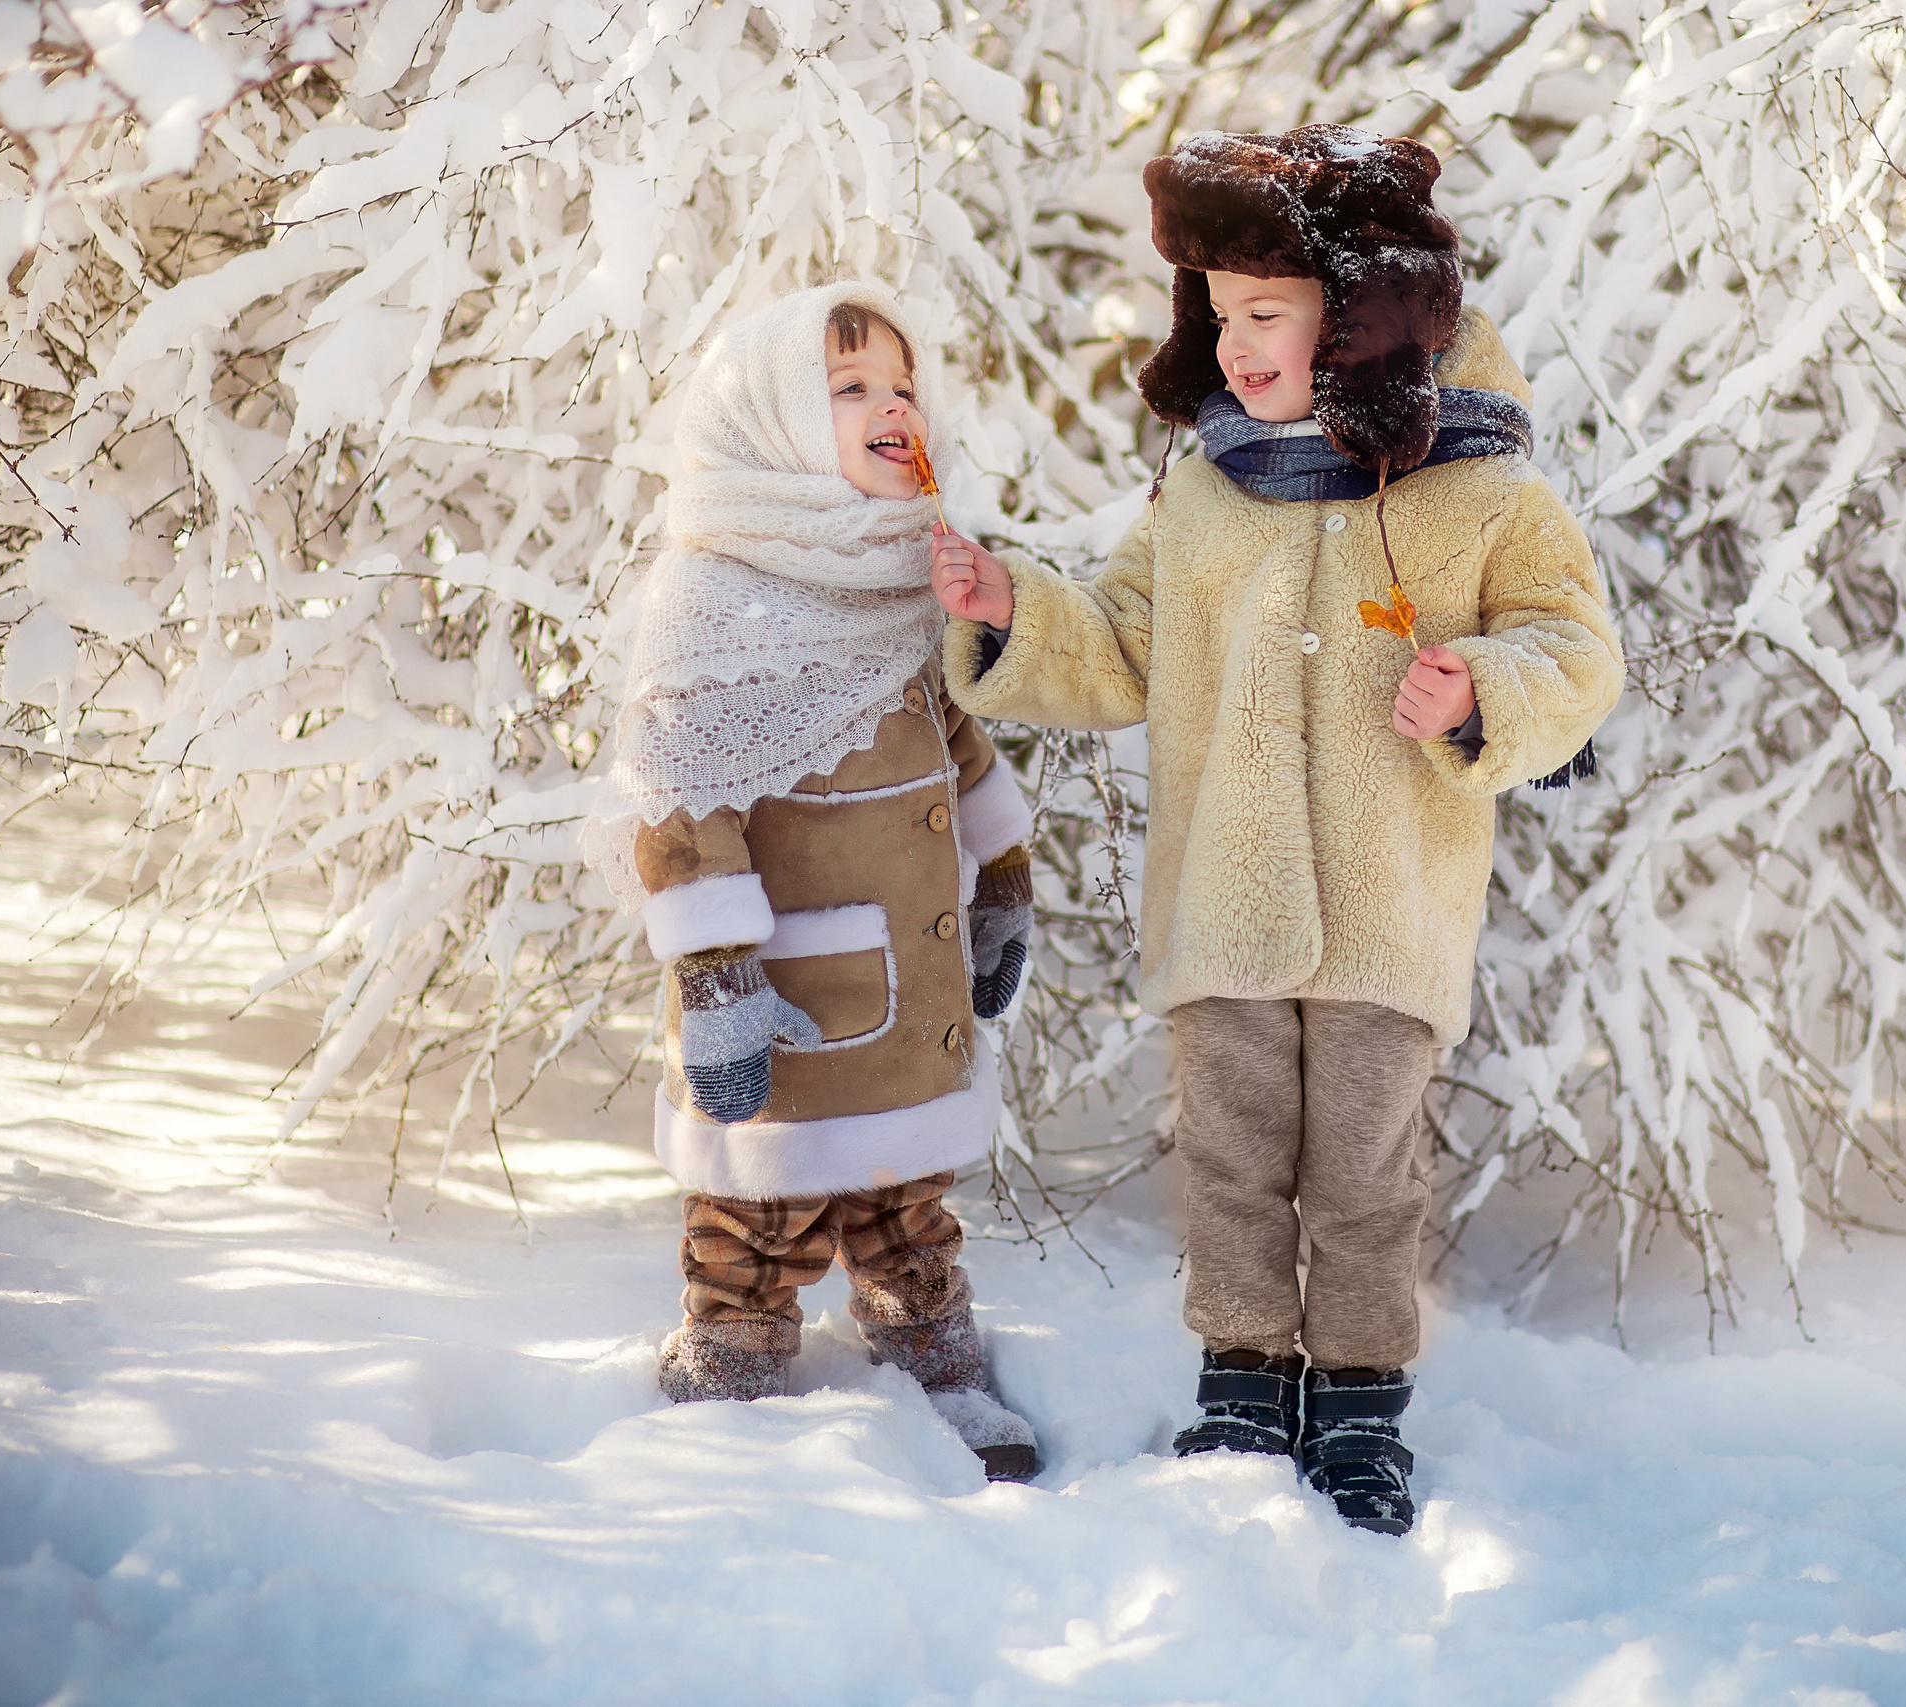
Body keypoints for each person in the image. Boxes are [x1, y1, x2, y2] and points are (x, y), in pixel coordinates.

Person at [929, 127, 1623, 1530]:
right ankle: (1242, 1383)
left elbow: (1575, 647)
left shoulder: (1483, 488)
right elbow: (1125, 645)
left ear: (1358, 320)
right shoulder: (1205, 487)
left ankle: (1359, 1408)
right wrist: (1014, 612)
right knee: (1233, 1161)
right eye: (1219, 314)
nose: (1235, 346)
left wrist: (1481, 689)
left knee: (1364, 1173)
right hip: (1226, 902)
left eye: (1267, 314)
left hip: (1387, 907)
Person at [585, 281, 1039, 1481]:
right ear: (773, 422)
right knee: (755, 1216)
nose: (894, 407)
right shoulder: (715, 599)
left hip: (905, 984)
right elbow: (679, 805)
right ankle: (729, 1365)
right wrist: (717, 978)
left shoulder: (901, 573)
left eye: (904, 386)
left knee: (907, 1206)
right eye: (850, 388)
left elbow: (955, 736)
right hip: (781, 999)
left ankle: (935, 1358)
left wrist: (1001, 872)